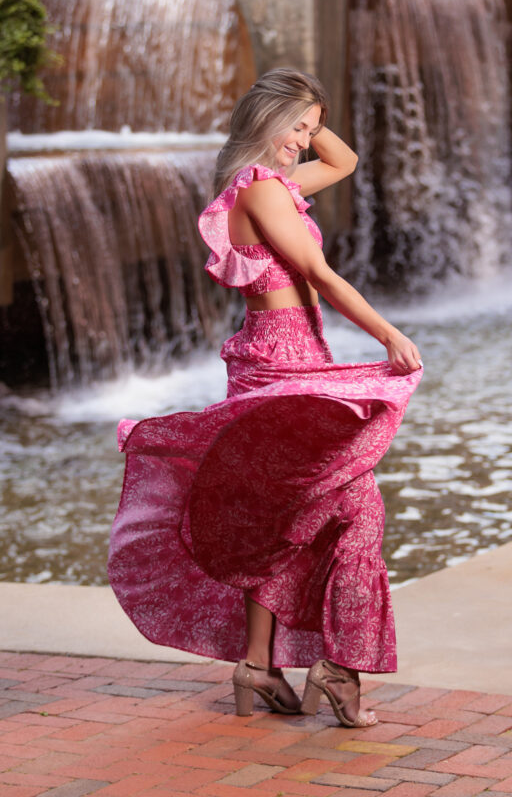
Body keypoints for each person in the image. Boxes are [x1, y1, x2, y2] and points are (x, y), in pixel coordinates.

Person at [109, 68, 422, 729]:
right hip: (281, 361)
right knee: (354, 504)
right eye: (297, 129)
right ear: (264, 123)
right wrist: (387, 332)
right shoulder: (260, 192)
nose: (306, 143)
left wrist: (302, 110)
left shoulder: (276, 183)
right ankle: (337, 667)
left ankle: (259, 663)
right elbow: (317, 274)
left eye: (309, 130)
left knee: (281, 513)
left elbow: (345, 159)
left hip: (291, 357)